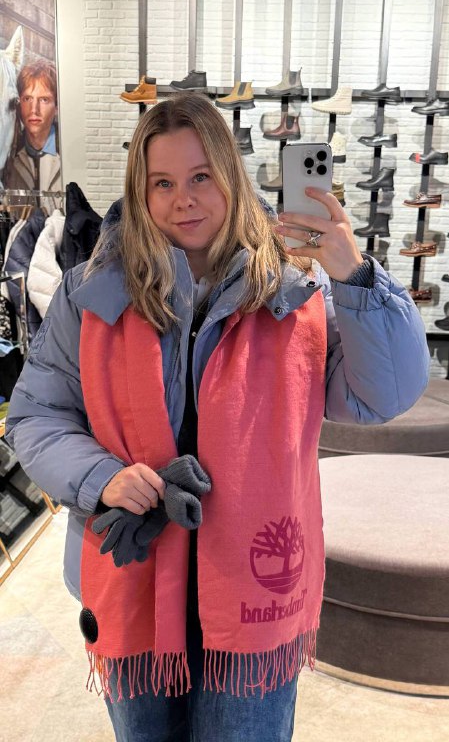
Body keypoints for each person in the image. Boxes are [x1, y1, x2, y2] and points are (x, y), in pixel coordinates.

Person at [6, 93, 429, 742]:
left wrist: (354, 274)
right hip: (135, 569)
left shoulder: (294, 292)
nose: (184, 200)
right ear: (140, 192)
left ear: (229, 177)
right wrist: (101, 477)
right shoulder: (90, 293)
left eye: (201, 176)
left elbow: (382, 394)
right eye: (163, 183)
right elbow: (36, 415)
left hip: (256, 582)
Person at [4, 59, 61, 194]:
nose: (34, 109)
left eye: (44, 100)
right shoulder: (8, 157)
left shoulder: (68, 152)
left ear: (57, 107)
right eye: (27, 99)